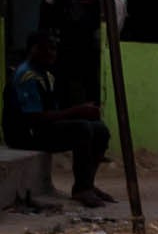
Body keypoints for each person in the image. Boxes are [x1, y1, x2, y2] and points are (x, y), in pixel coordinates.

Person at [3, 31, 115, 207]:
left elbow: (52, 113)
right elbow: (34, 117)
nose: (53, 54)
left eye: (54, 49)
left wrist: (80, 111)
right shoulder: (26, 76)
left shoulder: (47, 76)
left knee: (100, 130)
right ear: (34, 49)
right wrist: (77, 111)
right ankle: (81, 190)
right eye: (48, 49)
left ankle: (87, 184)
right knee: (82, 129)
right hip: (25, 135)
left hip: (41, 129)